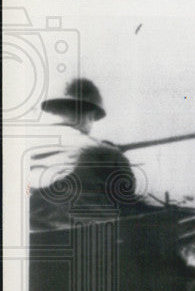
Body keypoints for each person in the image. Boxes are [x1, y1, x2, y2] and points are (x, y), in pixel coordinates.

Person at [28, 78, 140, 232]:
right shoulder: (104, 152)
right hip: (92, 246)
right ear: (89, 115)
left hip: (35, 244)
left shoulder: (23, 149)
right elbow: (128, 200)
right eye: (93, 118)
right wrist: (111, 153)